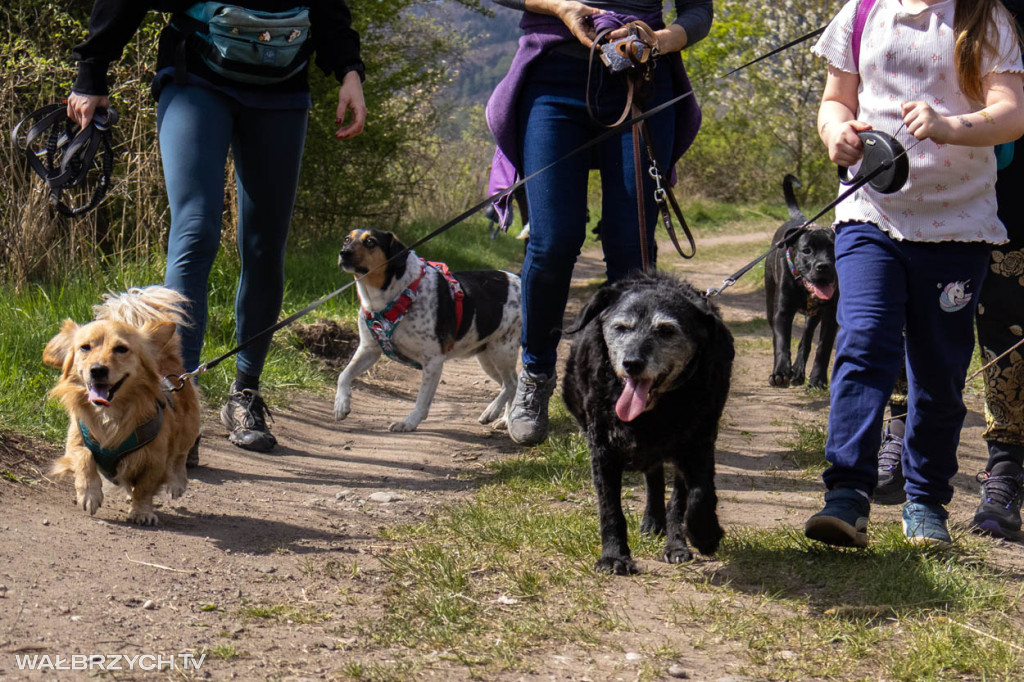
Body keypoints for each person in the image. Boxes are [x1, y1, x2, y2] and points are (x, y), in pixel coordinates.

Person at [66, 0, 367, 457]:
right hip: (196, 77)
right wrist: (92, 70)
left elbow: (327, 8)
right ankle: (176, 402)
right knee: (195, 231)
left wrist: (349, 71)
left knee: (265, 245)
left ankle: (244, 394)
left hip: (282, 88)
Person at [804, 0, 1024, 548]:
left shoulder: (987, 18)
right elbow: (835, 99)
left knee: (939, 370)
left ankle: (925, 502)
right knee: (862, 342)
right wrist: (834, 132)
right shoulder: (860, 14)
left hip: (959, 228)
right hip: (870, 216)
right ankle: (847, 494)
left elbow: (1012, 111)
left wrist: (950, 125)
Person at [486, 0, 713, 446]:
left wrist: (661, 41)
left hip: (642, 78)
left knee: (631, 245)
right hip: (552, 77)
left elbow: (697, 11)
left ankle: (628, 389)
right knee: (553, 240)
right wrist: (557, 7)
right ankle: (535, 376)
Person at [875, 0, 1024, 541]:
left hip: (1008, 138)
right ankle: (898, 429)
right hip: (919, 153)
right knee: (902, 292)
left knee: (1010, 312)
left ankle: (1006, 466)